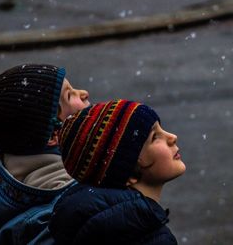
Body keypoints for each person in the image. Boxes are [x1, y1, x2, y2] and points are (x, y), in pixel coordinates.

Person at [0, 64, 90, 244]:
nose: (83, 92)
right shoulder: (56, 220)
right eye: (70, 95)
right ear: (54, 134)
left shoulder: (9, 187)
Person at [49, 99, 186, 245]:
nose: (172, 137)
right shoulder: (149, 237)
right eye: (154, 137)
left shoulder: (93, 226)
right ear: (126, 171)